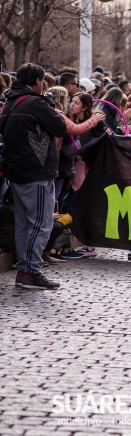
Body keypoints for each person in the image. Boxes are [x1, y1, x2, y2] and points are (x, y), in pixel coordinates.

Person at [0, 63, 67, 289]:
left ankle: (24, 270)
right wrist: (50, 107)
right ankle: (30, 272)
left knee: (24, 224)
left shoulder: (10, 103)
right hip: (36, 171)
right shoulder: (34, 103)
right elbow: (60, 127)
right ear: (37, 82)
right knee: (40, 223)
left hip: (18, 172)